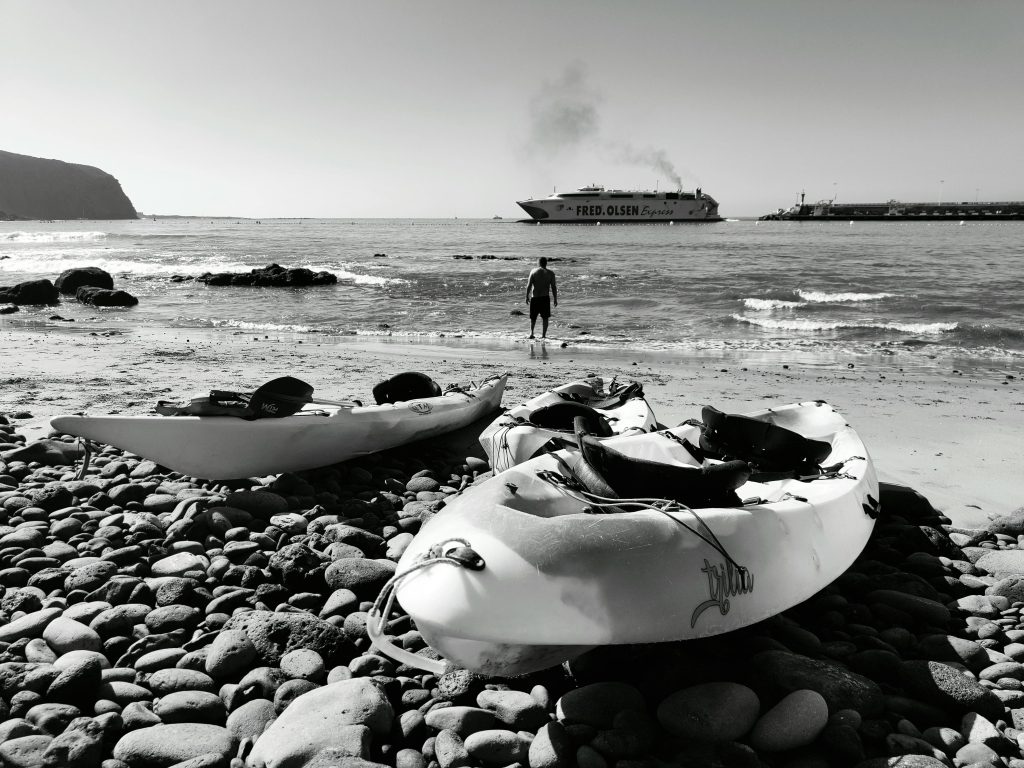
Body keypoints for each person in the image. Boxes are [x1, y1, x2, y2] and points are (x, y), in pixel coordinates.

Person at [525, 257, 557, 339]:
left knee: (533, 318)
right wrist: (555, 299)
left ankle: (531, 333)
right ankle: (543, 335)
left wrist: (526, 296)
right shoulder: (550, 273)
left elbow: (529, 285)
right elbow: (553, 287)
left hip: (535, 298)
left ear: (538, 263)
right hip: (545, 298)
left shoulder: (533, 271)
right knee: (545, 318)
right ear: (546, 263)